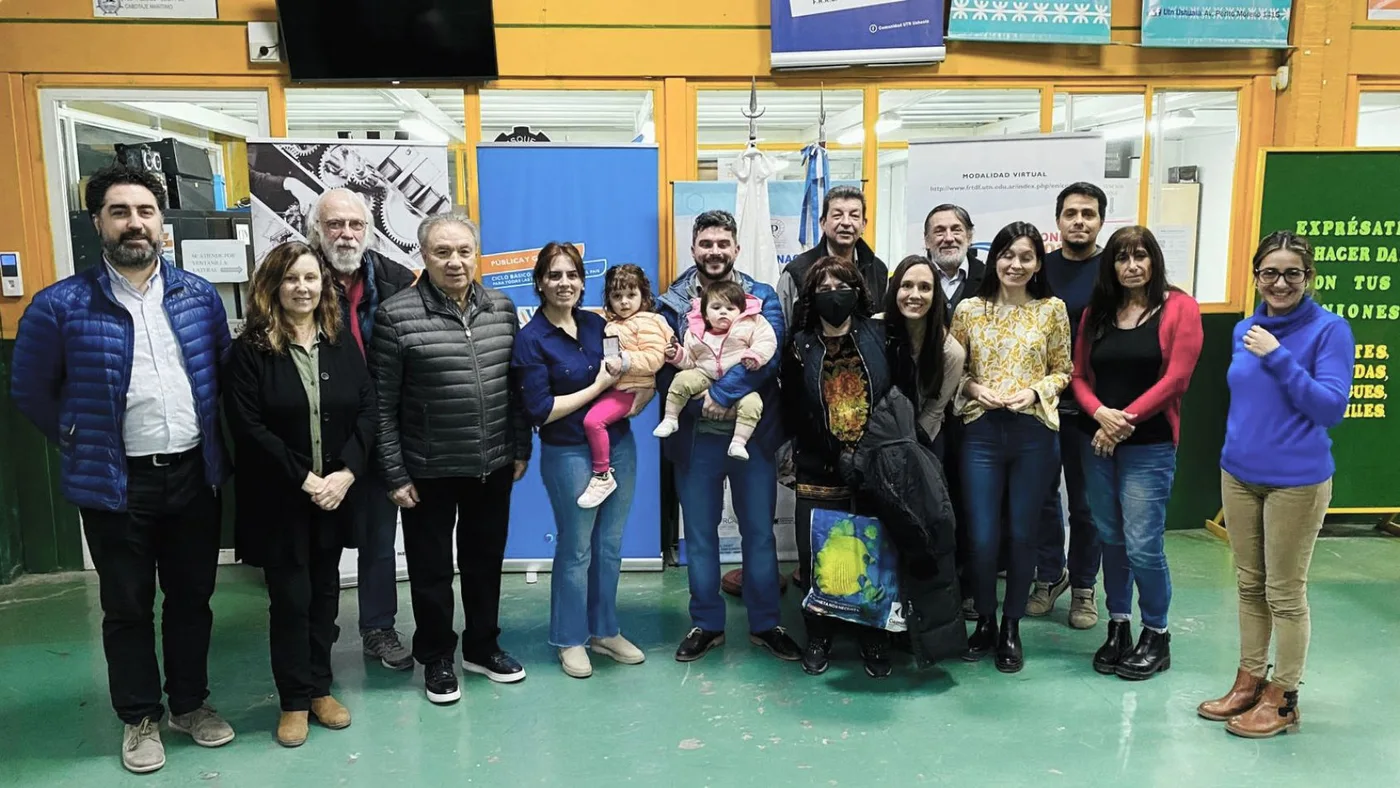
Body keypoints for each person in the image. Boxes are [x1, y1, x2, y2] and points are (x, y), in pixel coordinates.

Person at [10, 164, 234, 773]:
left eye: (145, 211)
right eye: (120, 211)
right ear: (98, 223)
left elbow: (220, 372)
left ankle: (189, 705)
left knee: (193, 598)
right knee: (127, 605)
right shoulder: (59, 306)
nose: (135, 222)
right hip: (116, 484)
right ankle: (139, 718)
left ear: (163, 223)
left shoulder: (198, 297)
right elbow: (31, 390)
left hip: (193, 473)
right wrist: (78, 437)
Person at [1197, 231, 1353, 738]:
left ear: (1308, 278)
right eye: (1270, 272)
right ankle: (1248, 681)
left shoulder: (1329, 331)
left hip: (1296, 483)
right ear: (1257, 276)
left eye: (1292, 273)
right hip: (1240, 475)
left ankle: (1283, 697)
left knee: (1284, 591)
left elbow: (1330, 407)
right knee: (1248, 583)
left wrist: (1278, 355)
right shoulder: (1245, 327)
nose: (1280, 283)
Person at [371, 213, 531, 704]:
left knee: (485, 563)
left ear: (476, 254)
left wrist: (520, 447)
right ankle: (437, 656)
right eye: (443, 252)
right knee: (431, 570)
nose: (455, 262)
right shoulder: (396, 315)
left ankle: (483, 647)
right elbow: (381, 404)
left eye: (464, 251)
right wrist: (395, 473)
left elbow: (517, 385)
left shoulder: (503, 308)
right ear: (424, 256)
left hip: (493, 463)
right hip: (428, 470)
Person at [224, 242, 375, 746]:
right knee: (290, 600)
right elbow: (247, 427)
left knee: (326, 598)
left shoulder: (339, 341)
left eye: (311, 278)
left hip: (334, 496)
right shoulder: (249, 350)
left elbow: (368, 411)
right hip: (282, 500)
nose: (303, 288)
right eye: (291, 279)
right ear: (272, 285)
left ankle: (319, 690)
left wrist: (347, 473)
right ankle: (292, 700)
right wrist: (305, 479)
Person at [656, 210, 801, 664]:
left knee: (759, 534)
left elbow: (771, 355)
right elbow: (665, 368)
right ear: (693, 248)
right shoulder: (672, 302)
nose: (714, 251)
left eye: (723, 243)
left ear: (735, 248)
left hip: (751, 434)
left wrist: (722, 393)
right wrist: (703, 403)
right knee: (699, 536)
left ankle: (766, 623)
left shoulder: (759, 296)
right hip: (695, 437)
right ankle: (706, 624)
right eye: (706, 244)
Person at [512, 246, 654, 679]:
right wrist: (596, 388)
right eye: (554, 275)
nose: (564, 283)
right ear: (540, 282)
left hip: (619, 447)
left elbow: (627, 375)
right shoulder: (531, 339)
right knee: (576, 549)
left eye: (572, 274)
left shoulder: (597, 324)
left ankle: (603, 630)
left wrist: (639, 401)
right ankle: (569, 637)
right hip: (568, 453)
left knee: (609, 546)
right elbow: (541, 409)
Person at [1070, 227, 1203, 681]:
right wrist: (1100, 415)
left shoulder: (1179, 308)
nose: (1131, 266)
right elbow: (1079, 376)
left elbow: (1176, 381)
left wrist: (1121, 421)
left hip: (1148, 446)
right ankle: (1119, 626)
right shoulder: (1098, 313)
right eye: (1122, 258)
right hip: (1098, 442)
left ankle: (1156, 634)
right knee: (1111, 538)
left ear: (1154, 261)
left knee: (1144, 545)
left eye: (1139, 256)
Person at [950, 221, 1071, 674]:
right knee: (981, 535)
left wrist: (1035, 393)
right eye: (1007, 255)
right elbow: (952, 371)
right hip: (981, 431)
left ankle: (1011, 626)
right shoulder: (968, 310)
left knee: (1023, 533)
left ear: (1038, 263)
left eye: (1025, 257)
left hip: (1033, 432)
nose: (1015, 264)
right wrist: (975, 388)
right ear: (993, 258)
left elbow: (1064, 369)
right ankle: (983, 619)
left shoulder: (1051, 310)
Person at [306, 187, 418, 672]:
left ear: (369, 230)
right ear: (316, 230)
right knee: (317, 542)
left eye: (354, 225)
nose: (345, 234)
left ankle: (378, 628)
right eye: (334, 225)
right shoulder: (295, 275)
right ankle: (315, 631)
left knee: (377, 539)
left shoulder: (396, 279)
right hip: (314, 434)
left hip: (377, 432)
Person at [779, 256, 895, 677]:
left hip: (874, 467)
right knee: (819, 557)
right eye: (823, 288)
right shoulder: (798, 345)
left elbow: (897, 397)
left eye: (841, 285)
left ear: (858, 291)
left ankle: (873, 637)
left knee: (872, 555)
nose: (833, 295)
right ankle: (820, 633)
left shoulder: (881, 335)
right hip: (817, 468)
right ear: (811, 297)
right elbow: (791, 409)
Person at [1031, 181, 1109, 629]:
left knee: (1085, 505)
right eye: (1071, 213)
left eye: (1089, 213)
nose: (1079, 221)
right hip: (1043, 404)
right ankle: (1048, 576)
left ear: (1100, 221)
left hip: (1092, 407)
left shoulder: (1112, 270)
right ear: (1058, 221)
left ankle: (1083, 587)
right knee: (1042, 499)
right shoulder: (1043, 268)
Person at [576, 264, 673, 509]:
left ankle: (602, 476)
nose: (624, 302)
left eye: (631, 295)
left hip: (631, 389)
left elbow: (655, 358)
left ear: (644, 296)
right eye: (617, 296)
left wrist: (625, 361)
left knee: (592, 421)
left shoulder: (649, 321)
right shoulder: (611, 325)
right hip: (613, 386)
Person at [654, 279, 777, 461]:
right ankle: (671, 419)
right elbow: (690, 360)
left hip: (740, 382)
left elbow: (767, 340)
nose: (723, 312)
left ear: (741, 311)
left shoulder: (752, 323)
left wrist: (755, 355)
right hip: (704, 374)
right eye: (716, 307)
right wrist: (677, 355)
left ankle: (739, 442)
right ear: (704, 314)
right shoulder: (695, 332)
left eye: (730, 308)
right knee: (682, 379)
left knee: (753, 404)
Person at [883, 254, 966, 460]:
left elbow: (933, 413)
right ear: (895, 290)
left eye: (925, 288)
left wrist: (906, 450)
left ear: (935, 295)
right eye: (907, 285)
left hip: (924, 440)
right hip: (876, 438)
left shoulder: (951, 352)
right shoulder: (874, 331)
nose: (915, 295)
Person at [776, 185, 888, 327]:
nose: (846, 223)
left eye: (854, 216)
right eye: (837, 215)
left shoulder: (878, 270)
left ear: (863, 225)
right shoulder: (797, 272)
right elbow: (782, 331)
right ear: (823, 223)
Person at [923, 204, 985, 322]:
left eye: (956, 230)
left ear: (969, 237)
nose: (949, 238)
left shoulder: (991, 279)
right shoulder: (906, 281)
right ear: (927, 241)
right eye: (939, 232)